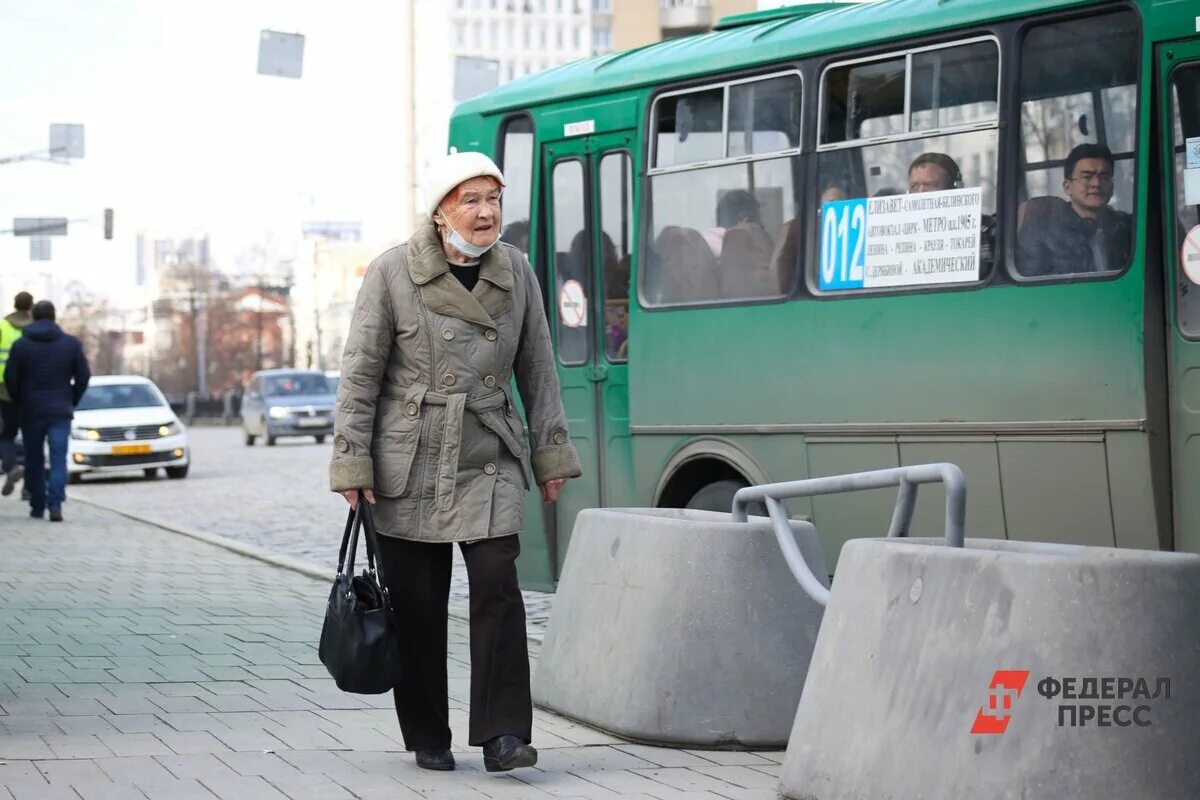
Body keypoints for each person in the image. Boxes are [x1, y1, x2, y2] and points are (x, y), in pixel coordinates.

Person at [330, 151, 581, 774]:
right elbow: (360, 373)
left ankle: (503, 735)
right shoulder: (392, 271)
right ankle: (428, 733)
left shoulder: (516, 271)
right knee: (417, 604)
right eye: (471, 200)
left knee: (498, 587)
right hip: (410, 457)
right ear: (442, 211)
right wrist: (352, 463)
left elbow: (539, 370)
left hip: (487, 449)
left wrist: (550, 452)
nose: (485, 212)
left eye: (493, 199)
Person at [4, 300, 90, 522]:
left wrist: (19, 400)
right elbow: (83, 376)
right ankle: (56, 503)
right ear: (54, 317)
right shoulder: (70, 344)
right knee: (58, 457)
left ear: (33, 317)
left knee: (34, 459)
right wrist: (72, 398)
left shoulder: (22, 345)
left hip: (31, 410)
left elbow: (10, 378)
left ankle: (37, 504)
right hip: (60, 409)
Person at [1018, 143, 1132, 276]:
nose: (1096, 183)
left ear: (1112, 186)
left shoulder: (1127, 227)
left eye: (1104, 177)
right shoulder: (1042, 233)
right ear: (1067, 187)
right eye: (1087, 177)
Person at [0, 292, 33, 496]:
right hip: (29, 388)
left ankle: (12, 467)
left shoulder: (3, 326)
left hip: (3, 389)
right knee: (32, 437)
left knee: (6, 435)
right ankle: (30, 488)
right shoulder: (34, 328)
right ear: (30, 307)